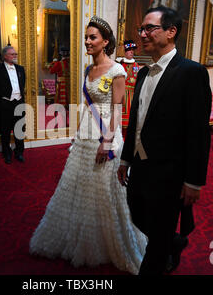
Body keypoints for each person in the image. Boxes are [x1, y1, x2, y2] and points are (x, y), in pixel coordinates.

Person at [30, 16, 147, 275]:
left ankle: (111, 241)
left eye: (92, 37)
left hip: (106, 135)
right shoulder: (87, 70)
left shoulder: (117, 70)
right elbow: (87, 105)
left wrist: (106, 142)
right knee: (80, 185)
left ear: (105, 42)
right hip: (86, 134)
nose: (87, 41)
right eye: (86, 37)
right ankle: (81, 236)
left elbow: (117, 109)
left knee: (105, 189)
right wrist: (79, 133)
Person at [117, 6, 212, 275]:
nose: (143, 34)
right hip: (141, 164)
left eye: (150, 28)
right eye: (141, 29)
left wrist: (194, 180)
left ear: (171, 32)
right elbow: (136, 121)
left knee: (155, 245)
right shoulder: (145, 73)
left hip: (170, 172)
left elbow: (198, 131)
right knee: (137, 212)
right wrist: (126, 158)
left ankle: (162, 249)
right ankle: (174, 241)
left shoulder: (191, 72)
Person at [0, 46, 26, 164]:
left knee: (19, 130)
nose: (15, 56)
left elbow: (22, 85)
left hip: (19, 103)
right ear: (5, 56)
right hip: (5, 104)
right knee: (5, 131)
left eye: (15, 54)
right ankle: (7, 153)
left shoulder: (20, 69)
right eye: (12, 54)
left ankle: (19, 152)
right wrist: (1, 99)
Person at [115, 39, 140, 137]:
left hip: (132, 96)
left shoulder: (136, 65)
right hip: (120, 95)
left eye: (132, 50)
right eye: (129, 50)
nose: (131, 52)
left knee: (130, 122)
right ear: (124, 51)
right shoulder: (119, 65)